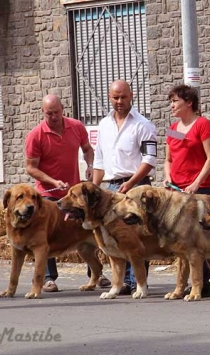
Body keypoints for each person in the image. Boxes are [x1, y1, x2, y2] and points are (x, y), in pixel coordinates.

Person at [25, 94, 110, 292]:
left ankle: (96, 273)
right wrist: (53, 181)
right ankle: (48, 277)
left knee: (86, 231)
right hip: (49, 192)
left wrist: (90, 165)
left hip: (74, 194)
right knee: (44, 234)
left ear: (63, 109)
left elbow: (88, 149)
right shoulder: (36, 135)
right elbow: (31, 167)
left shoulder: (76, 126)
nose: (53, 117)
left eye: (56, 112)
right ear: (42, 112)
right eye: (49, 114)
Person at [92, 80, 157, 296]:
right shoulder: (103, 125)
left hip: (136, 186)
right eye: (115, 97)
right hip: (111, 187)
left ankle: (137, 281)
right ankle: (121, 282)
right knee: (115, 236)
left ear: (132, 96)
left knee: (136, 235)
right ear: (110, 97)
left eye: (123, 97)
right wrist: (94, 189)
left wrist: (130, 184)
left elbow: (149, 160)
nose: (119, 101)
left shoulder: (143, 124)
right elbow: (99, 161)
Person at [163, 84, 210, 297]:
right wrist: (167, 176)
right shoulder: (173, 128)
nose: (172, 105)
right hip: (176, 190)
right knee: (181, 238)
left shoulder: (203, 125)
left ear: (189, 102)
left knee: (198, 236)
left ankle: (203, 282)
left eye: (175, 101)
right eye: (171, 101)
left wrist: (196, 183)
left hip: (199, 189)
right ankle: (188, 282)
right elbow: (168, 159)